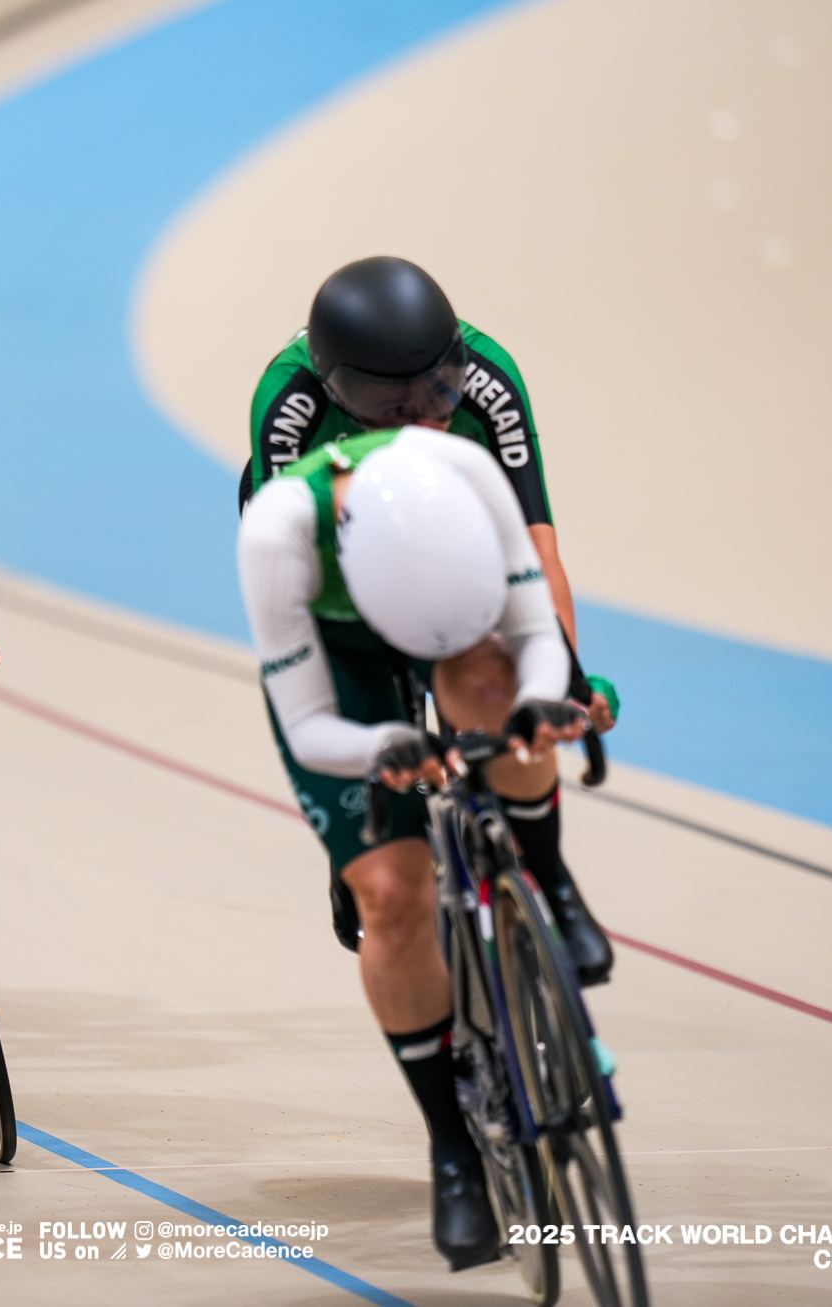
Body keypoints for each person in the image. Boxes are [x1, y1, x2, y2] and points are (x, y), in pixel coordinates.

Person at [238, 425, 589, 1272]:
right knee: (393, 898)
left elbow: (538, 636)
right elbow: (309, 724)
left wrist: (538, 702)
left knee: (499, 696)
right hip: (341, 667)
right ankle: (452, 1148)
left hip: (465, 624)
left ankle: (549, 884)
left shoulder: (467, 470)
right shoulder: (279, 529)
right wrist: (382, 743)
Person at [241, 256, 616, 983]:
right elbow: (294, 595)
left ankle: (554, 880)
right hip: (335, 550)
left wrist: (562, 680)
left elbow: (537, 549)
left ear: (457, 364)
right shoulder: (290, 403)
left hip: (449, 527)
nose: (422, 417)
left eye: (441, 390)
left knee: (501, 694)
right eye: (391, 403)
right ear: (336, 389)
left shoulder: (491, 380)